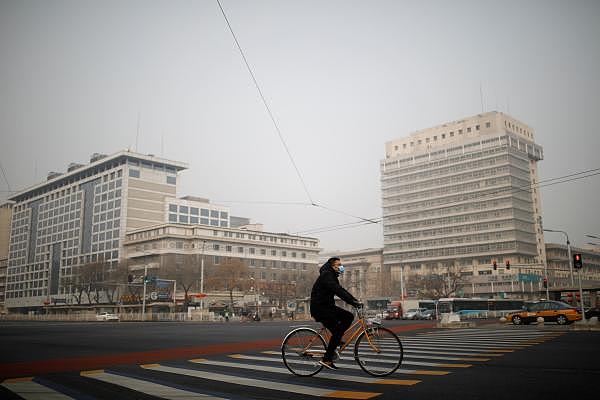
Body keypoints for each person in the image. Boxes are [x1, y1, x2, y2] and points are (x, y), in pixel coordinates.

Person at [310, 257, 362, 370]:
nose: (341, 267)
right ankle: (327, 359)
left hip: (327, 307)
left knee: (348, 316)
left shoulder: (331, 275)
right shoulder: (327, 275)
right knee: (338, 330)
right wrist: (353, 302)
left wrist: (354, 300)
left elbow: (340, 289)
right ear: (333, 266)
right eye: (339, 264)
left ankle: (336, 340)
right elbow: (338, 290)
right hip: (320, 308)